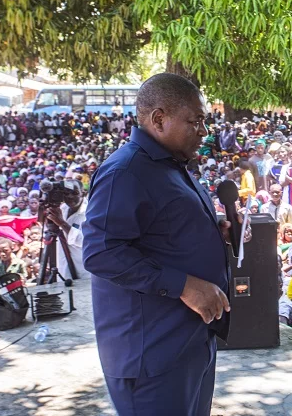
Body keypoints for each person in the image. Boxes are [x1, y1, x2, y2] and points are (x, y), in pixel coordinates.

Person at [83, 74, 233, 416]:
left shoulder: (170, 165)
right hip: (152, 352)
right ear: (159, 119)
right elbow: (101, 252)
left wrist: (213, 231)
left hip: (187, 340)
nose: (203, 131)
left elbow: (163, 231)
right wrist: (184, 286)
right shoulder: (126, 172)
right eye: (195, 120)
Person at [44, 178, 89, 280]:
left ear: (83, 193)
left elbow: (85, 241)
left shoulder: (90, 211)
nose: (70, 197)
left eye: (74, 193)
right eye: (66, 193)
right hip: (64, 269)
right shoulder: (61, 209)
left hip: (84, 271)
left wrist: (62, 223)